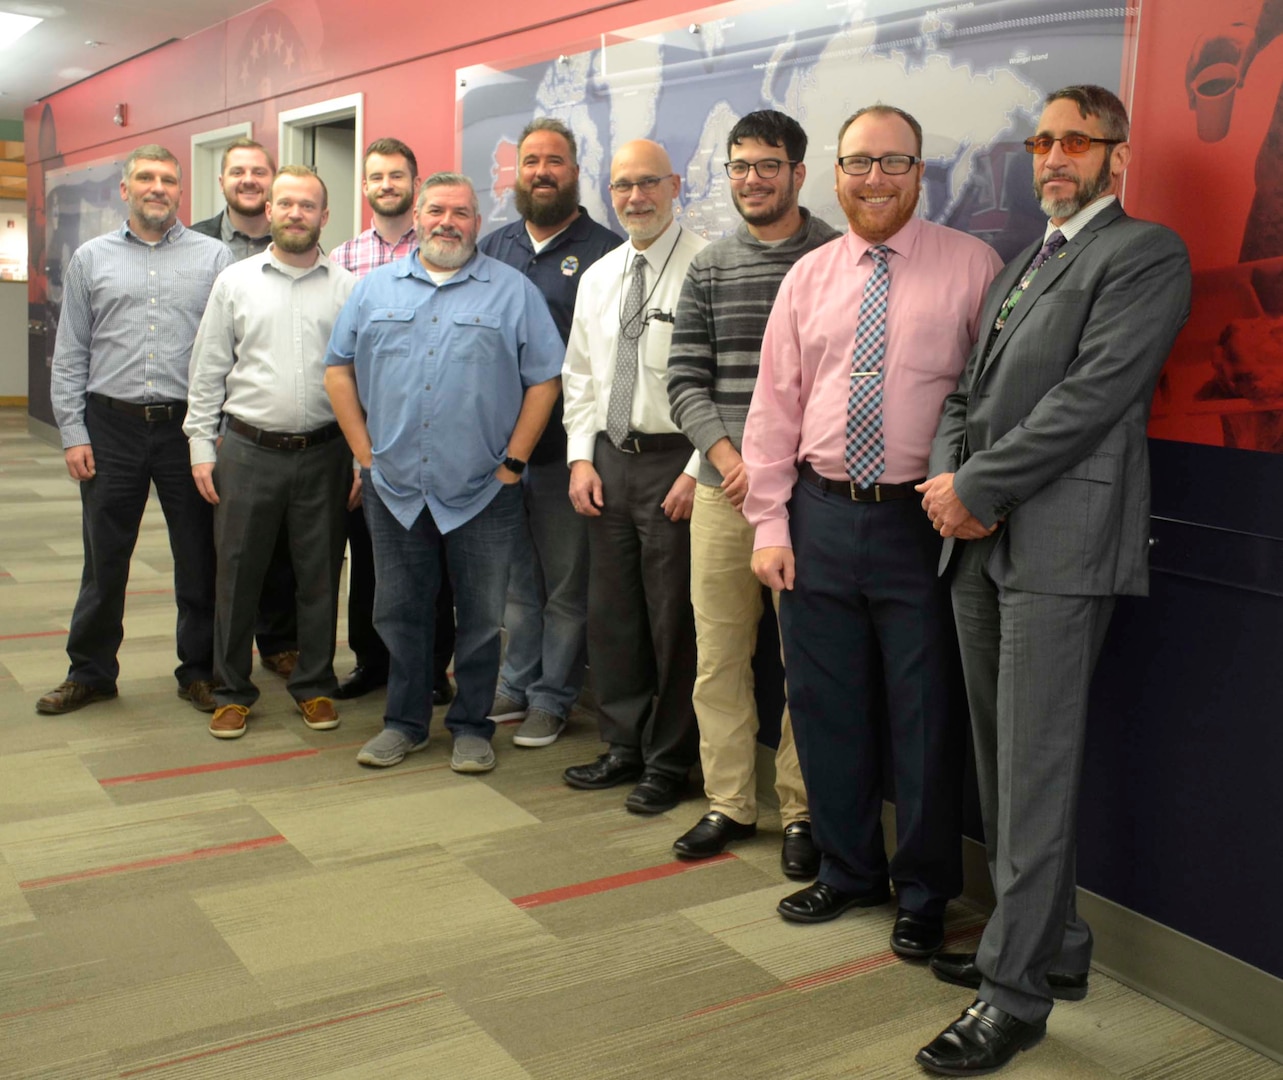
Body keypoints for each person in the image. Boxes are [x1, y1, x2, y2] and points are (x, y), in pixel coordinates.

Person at [915, 85, 1192, 1076]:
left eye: (1075, 141)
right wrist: (949, 480)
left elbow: (1090, 397)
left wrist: (977, 486)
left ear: (1116, 154)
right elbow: (964, 390)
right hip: (978, 542)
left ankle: (1014, 995)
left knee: (1031, 775)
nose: (1053, 156)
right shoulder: (1024, 260)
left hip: (1058, 549)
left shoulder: (1143, 255)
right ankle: (1050, 947)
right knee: (1002, 772)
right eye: (1041, 140)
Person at [742, 106, 1001, 949]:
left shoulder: (972, 266)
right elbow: (772, 409)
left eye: (895, 162)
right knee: (824, 708)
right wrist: (767, 526)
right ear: (836, 174)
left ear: (921, 171)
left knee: (925, 717)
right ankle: (847, 871)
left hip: (920, 527)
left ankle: (924, 893)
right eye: (859, 162)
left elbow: (993, 404)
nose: (875, 178)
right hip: (817, 517)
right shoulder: (808, 276)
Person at [325, 172, 563, 774]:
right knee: (398, 612)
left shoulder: (512, 292)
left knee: (482, 620)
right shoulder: (373, 290)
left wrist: (514, 463)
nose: (447, 222)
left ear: (476, 223)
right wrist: (365, 456)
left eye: (461, 212)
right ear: (419, 217)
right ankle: (403, 723)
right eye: (436, 210)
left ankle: (470, 725)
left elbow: (545, 380)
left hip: (485, 490)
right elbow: (338, 370)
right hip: (396, 488)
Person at [667, 110, 838, 874]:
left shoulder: (840, 258)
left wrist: (775, 467)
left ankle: (802, 812)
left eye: (766, 165)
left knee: (805, 663)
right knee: (719, 658)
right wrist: (729, 455)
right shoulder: (708, 266)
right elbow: (683, 380)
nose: (751, 180)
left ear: (797, 173)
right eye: (738, 166)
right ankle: (730, 801)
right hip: (720, 491)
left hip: (807, 499)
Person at [39, 144, 232, 715]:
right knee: (105, 558)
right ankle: (91, 672)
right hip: (109, 427)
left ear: (180, 191)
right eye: (145, 178)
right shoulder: (90, 258)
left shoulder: (214, 258)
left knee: (198, 556)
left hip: (186, 430)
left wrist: (214, 430)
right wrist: (73, 431)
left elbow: (226, 353)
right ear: (125, 190)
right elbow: (70, 352)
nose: (157, 187)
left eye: (168, 180)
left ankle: (199, 670)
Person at [560, 139, 707, 814]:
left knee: (674, 619)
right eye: (622, 186)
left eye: (649, 183)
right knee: (613, 614)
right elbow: (581, 376)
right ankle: (622, 745)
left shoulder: (706, 264)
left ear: (675, 185)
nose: (635, 197)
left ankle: (670, 761)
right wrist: (580, 456)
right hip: (610, 460)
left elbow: (727, 383)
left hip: (677, 464)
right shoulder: (600, 274)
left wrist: (696, 470)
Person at [185, 166, 357, 739]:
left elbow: (364, 380)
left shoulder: (349, 287)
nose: (295, 213)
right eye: (286, 203)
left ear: (324, 217)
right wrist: (198, 446)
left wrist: (361, 457)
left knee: (320, 576)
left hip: (326, 453)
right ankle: (232, 691)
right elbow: (208, 369)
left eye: (308, 205)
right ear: (271, 211)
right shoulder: (235, 282)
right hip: (248, 450)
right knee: (236, 575)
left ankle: (313, 686)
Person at [477, 117, 621, 747]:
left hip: (568, 455)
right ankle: (515, 679)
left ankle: (552, 695)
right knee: (514, 583)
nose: (541, 172)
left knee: (566, 586)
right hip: (501, 454)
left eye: (554, 161)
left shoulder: (607, 251)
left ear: (575, 171)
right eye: (530, 161)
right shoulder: (494, 247)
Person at [329, 137, 457, 707]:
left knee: (434, 564)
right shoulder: (342, 262)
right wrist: (360, 451)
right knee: (370, 558)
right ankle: (371, 662)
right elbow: (339, 360)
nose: (387, 185)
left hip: (430, 436)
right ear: (365, 187)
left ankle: (433, 669)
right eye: (376, 176)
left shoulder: (441, 247)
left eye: (397, 176)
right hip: (367, 436)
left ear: (415, 182)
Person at [191, 137, 300, 681]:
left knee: (282, 547)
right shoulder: (196, 245)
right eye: (238, 171)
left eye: (260, 171)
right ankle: (214, 661)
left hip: (281, 423)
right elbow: (206, 352)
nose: (249, 180)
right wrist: (202, 433)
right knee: (223, 552)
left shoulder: (307, 252)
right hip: (223, 422)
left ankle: (279, 640)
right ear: (222, 181)